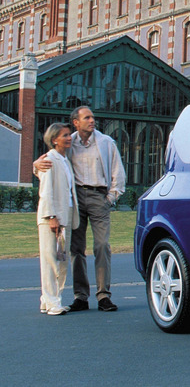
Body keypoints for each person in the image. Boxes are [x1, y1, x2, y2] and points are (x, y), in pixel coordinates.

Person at [34, 106, 126, 312]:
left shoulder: (106, 142)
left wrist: (110, 198)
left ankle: (103, 296)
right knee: (76, 248)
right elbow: (49, 162)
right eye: (87, 118)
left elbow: (118, 174)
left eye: (92, 117)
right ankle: (81, 297)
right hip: (75, 200)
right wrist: (35, 165)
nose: (92, 120)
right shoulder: (68, 141)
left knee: (102, 245)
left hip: (99, 197)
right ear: (76, 122)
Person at [37, 123, 79, 315]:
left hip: (66, 214)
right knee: (50, 260)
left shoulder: (64, 160)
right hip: (52, 218)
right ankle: (52, 301)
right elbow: (46, 192)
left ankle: (48, 300)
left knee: (61, 259)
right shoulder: (49, 160)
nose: (69, 138)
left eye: (69, 135)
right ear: (54, 140)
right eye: (65, 135)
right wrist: (51, 216)